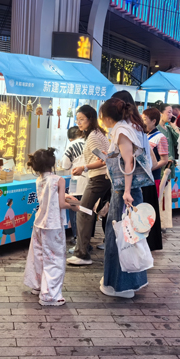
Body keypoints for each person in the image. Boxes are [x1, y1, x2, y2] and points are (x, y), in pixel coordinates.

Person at [99, 97, 154, 298]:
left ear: (106, 116)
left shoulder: (122, 130)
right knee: (131, 235)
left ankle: (119, 286)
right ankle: (128, 282)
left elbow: (128, 164)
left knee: (118, 236)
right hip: (129, 190)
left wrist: (127, 192)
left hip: (123, 191)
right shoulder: (132, 126)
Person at [23, 148, 79, 306]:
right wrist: (74, 206)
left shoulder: (39, 180)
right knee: (54, 258)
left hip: (39, 223)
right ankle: (50, 296)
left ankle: (38, 286)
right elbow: (62, 204)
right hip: (53, 225)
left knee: (39, 255)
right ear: (52, 163)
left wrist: (64, 198)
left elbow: (51, 197)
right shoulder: (59, 179)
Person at [66, 105, 111, 266]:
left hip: (98, 178)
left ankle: (82, 253)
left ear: (90, 119)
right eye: (77, 119)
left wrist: (84, 167)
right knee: (87, 211)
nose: (79, 122)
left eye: (82, 119)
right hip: (104, 178)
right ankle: (83, 249)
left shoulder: (92, 137)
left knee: (83, 211)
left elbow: (102, 159)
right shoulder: (99, 134)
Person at [141, 108, 168, 251]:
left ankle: (150, 242)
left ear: (154, 121)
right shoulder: (142, 135)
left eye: (145, 119)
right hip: (140, 178)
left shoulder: (160, 137)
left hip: (152, 178)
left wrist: (152, 168)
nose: (142, 121)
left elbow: (165, 159)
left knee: (148, 209)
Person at [60, 126, 87, 244]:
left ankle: (77, 238)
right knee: (88, 211)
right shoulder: (90, 142)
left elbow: (65, 165)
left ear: (70, 138)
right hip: (91, 184)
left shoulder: (72, 145)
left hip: (76, 183)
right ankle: (86, 240)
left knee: (74, 208)